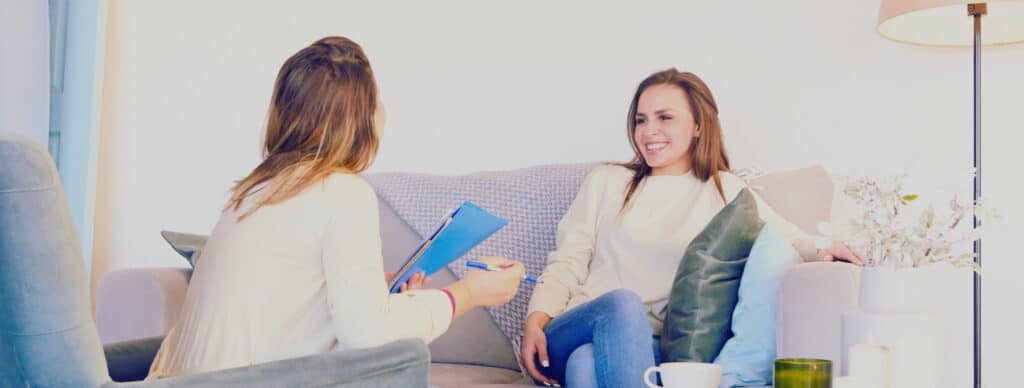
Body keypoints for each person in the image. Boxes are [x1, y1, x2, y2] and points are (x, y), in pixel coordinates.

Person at [147, 36, 525, 379]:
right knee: (402, 360)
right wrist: (469, 294)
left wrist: (374, 286)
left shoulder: (252, 191)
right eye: (377, 99)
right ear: (362, 118)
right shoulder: (343, 192)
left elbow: (287, 302)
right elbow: (368, 333)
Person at [520, 69, 862, 388]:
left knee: (585, 365)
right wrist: (536, 319)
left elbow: (786, 237)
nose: (648, 131)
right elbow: (567, 260)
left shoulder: (724, 190)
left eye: (664, 118)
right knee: (622, 307)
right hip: (575, 327)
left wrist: (824, 247)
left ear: (698, 125)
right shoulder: (606, 181)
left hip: (650, 347)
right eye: (641, 120)